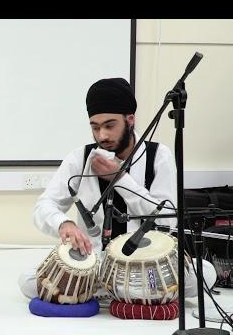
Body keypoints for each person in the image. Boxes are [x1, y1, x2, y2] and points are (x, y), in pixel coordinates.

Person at [24, 77, 201, 300]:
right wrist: (64, 223)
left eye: (109, 126)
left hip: (145, 266)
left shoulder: (158, 156)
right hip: (96, 266)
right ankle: (126, 294)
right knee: (28, 282)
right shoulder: (81, 158)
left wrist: (119, 179)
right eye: (95, 128)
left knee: (203, 275)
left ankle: (102, 293)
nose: (102, 136)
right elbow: (44, 206)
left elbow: (166, 220)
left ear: (130, 120)